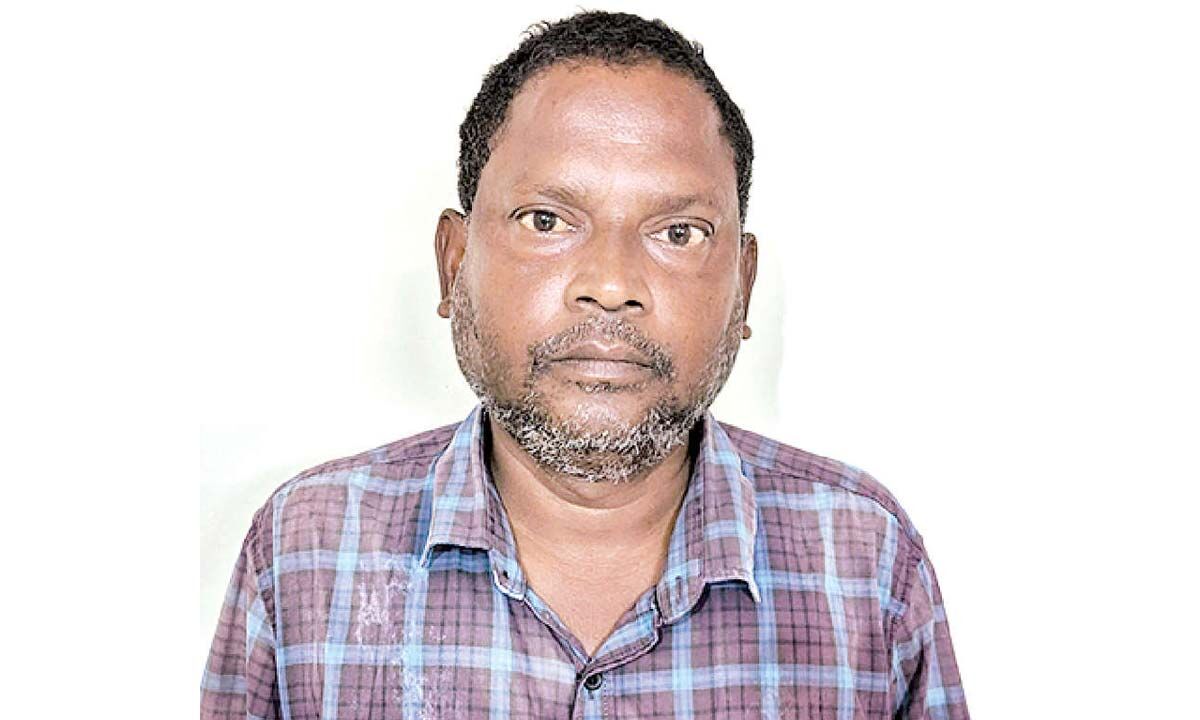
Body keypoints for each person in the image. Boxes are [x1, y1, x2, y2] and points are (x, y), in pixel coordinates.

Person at [201, 10, 969, 719]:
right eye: (547, 220)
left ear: (743, 287)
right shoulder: (305, 553)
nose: (610, 284)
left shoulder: (864, 562)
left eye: (678, 232)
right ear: (453, 263)